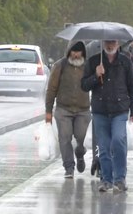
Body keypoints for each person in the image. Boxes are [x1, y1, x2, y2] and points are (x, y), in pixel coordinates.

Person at [81, 39, 133, 193]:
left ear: (118, 42)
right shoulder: (94, 61)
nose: (110, 45)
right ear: (103, 42)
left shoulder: (125, 61)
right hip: (100, 111)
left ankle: (120, 178)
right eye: (107, 42)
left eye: (113, 42)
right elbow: (84, 85)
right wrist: (95, 75)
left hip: (119, 110)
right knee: (104, 147)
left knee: (119, 140)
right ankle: (106, 180)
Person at [45, 41, 91, 178]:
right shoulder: (60, 65)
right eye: (73, 51)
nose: (76, 54)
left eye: (78, 51)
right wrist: (48, 111)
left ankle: (80, 153)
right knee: (64, 138)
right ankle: (69, 167)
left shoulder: (88, 66)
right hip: (63, 109)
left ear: (83, 52)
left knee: (82, 138)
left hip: (83, 110)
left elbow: (96, 84)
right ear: (68, 52)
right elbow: (51, 89)